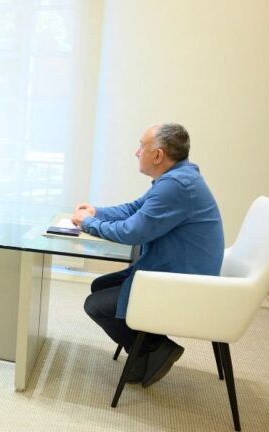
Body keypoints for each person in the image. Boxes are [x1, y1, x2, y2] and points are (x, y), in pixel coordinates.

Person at [71, 123, 224, 388]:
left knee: (95, 305)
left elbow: (133, 231)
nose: (136, 151)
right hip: (177, 269)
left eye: (141, 146)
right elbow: (135, 209)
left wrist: (87, 224)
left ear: (158, 155)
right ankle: (146, 350)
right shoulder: (176, 178)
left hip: (184, 282)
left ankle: (155, 348)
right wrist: (97, 212)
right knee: (100, 286)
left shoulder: (176, 185)